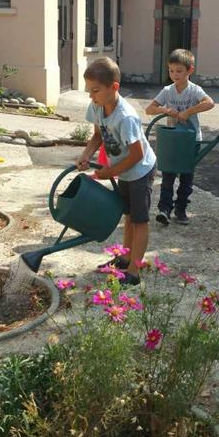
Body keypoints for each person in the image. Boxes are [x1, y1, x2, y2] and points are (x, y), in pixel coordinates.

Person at [77, 57, 156, 286]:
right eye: (88, 91)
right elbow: (97, 136)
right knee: (129, 216)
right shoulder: (97, 106)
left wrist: (110, 171)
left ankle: (134, 271)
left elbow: (137, 154)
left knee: (140, 220)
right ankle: (124, 257)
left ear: (114, 87)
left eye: (95, 90)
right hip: (124, 170)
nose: (91, 96)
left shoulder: (126, 116)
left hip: (140, 171)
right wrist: (85, 156)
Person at [145, 49, 214, 225]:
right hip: (172, 140)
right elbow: (149, 109)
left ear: (190, 70)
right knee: (167, 176)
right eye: (171, 70)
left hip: (191, 140)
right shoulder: (167, 91)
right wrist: (166, 110)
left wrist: (188, 112)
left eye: (179, 71)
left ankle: (181, 209)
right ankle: (164, 209)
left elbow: (209, 103)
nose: (174, 74)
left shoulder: (194, 90)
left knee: (186, 177)